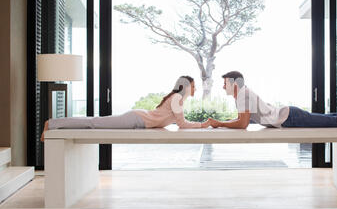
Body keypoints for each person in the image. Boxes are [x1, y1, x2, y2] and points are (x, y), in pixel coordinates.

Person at [207, 71, 337, 140]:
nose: (222, 85)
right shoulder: (242, 94)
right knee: (333, 118)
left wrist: (219, 123)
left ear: (234, 83)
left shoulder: (242, 94)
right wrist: (220, 122)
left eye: (224, 82)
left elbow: (242, 124)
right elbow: (242, 120)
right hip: (290, 115)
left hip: (290, 117)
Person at [40, 75, 210, 142]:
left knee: (95, 122)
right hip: (136, 118)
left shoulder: (178, 99)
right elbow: (182, 124)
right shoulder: (177, 98)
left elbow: (179, 122)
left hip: (140, 119)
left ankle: (53, 123)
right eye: (193, 86)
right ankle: (52, 123)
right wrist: (204, 124)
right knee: (95, 122)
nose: (195, 89)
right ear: (186, 86)